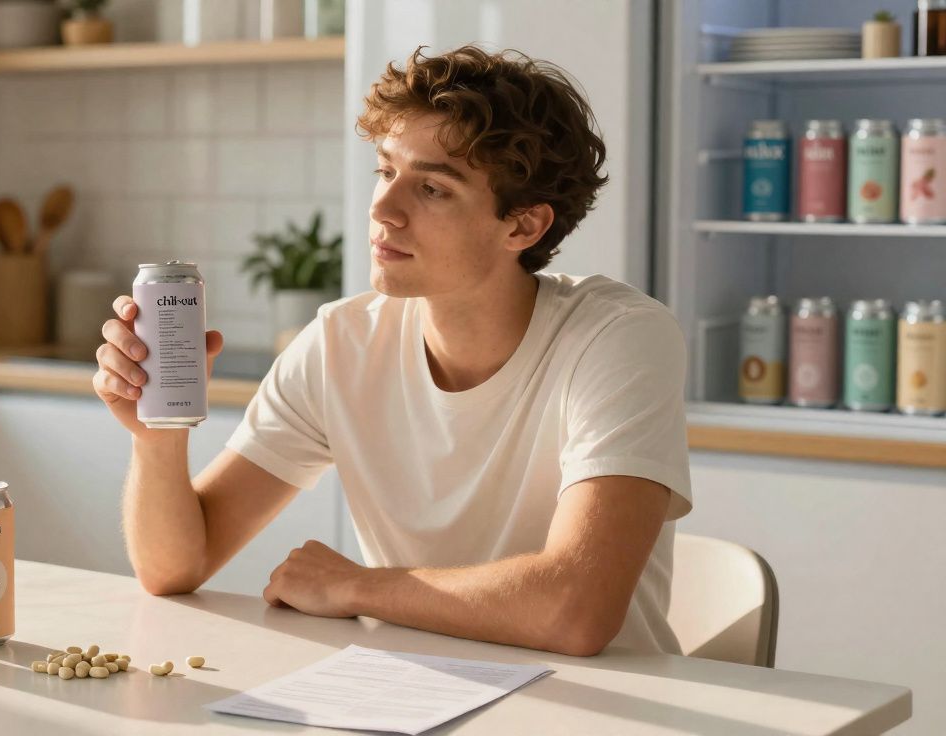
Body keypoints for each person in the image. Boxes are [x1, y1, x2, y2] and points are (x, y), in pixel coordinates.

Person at [93, 45, 692, 657]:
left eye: (432, 188)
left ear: (523, 227)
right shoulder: (341, 342)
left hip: (602, 707)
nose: (382, 209)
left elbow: (574, 611)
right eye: (386, 172)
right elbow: (174, 568)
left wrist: (357, 586)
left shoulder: (617, 337)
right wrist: (157, 441)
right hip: (411, 697)